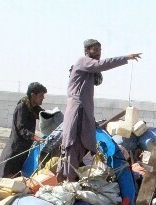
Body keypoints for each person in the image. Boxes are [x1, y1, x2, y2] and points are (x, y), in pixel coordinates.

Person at [59, 39, 141, 182]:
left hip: (85, 112)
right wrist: (126, 58)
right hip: (77, 111)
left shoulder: (90, 70)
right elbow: (102, 65)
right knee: (73, 145)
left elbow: (98, 74)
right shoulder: (83, 61)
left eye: (100, 51)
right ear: (87, 51)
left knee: (86, 144)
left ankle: (75, 179)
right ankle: (68, 181)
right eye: (95, 51)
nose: (98, 54)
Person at [0, 82, 47, 178]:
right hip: (15, 150)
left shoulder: (34, 108)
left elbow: (44, 115)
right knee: (9, 178)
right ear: (33, 95)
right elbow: (22, 129)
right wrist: (37, 138)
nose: (43, 98)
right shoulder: (22, 107)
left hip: (24, 149)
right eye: (41, 95)